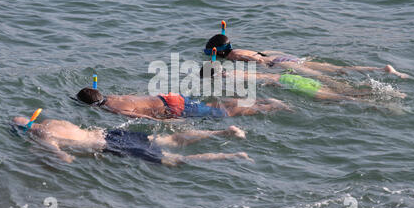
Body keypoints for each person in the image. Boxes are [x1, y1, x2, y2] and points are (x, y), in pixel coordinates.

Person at [12, 116, 253, 166]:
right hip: (111, 133)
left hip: (109, 146)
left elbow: (65, 158)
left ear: (26, 130)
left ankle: (233, 156)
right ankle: (223, 133)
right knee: (170, 139)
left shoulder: (42, 135)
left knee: (173, 160)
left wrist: (44, 158)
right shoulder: (54, 121)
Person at [204, 34, 409, 79]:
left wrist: (267, 68)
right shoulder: (242, 49)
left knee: (322, 77)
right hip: (286, 58)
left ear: (218, 51)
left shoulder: (234, 56)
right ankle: (382, 69)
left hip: (278, 64)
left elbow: (259, 60)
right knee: (335, 69)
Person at [200, 64, 406, 101]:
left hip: (292, 83)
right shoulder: (235, 71)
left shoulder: (228, 78)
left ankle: (381, 100)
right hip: (293, 78)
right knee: (345, 93)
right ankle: (379, 92)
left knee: (340, 98)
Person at [75, 88, 292, 120]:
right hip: (167, 97)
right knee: (216, 105)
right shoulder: (113, 97)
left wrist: (167, 123)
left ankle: (267, 106)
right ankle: (260, 100)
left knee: (223, 114)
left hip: (174, 107)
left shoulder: (113, 107)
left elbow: (143, 118)